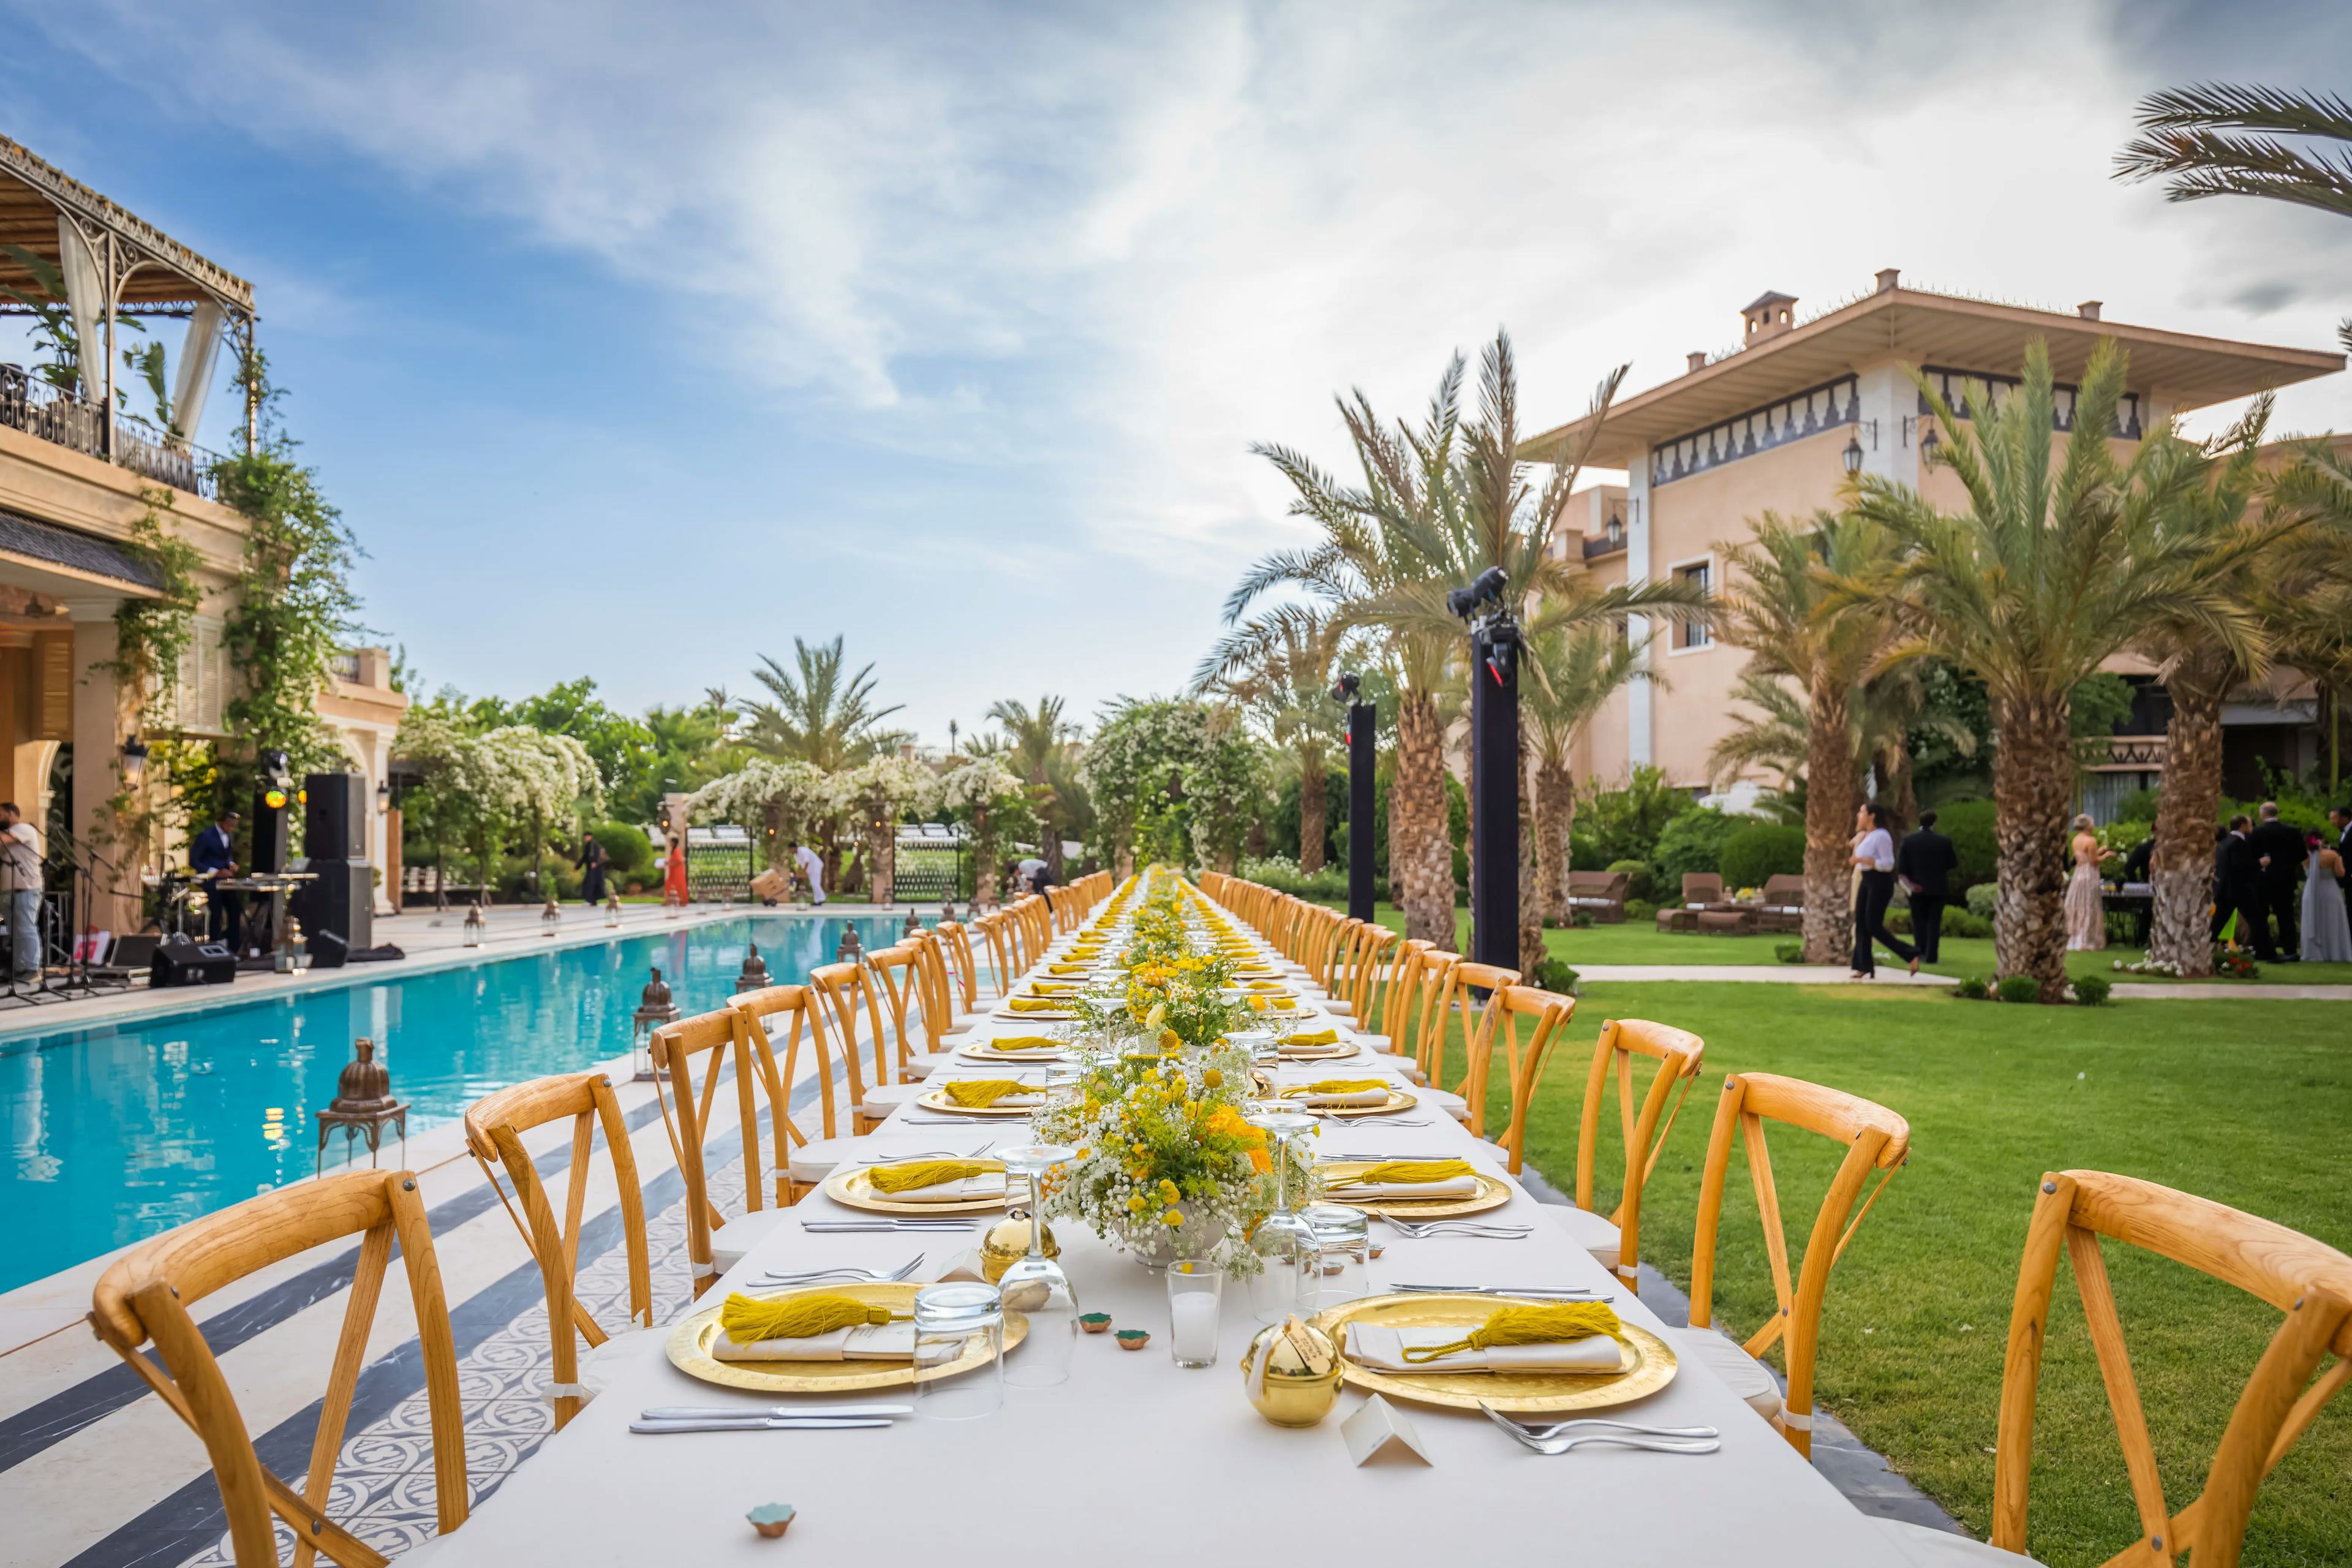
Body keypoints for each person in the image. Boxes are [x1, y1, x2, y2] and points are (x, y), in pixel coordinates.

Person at [1849, 802, 1918, 979]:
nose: (1859, 815)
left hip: (1880, 882)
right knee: (1861, 923)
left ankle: (1910, 954)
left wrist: (1863, 859)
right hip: (1867, 881)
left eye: (1862, 812)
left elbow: (1888, 864)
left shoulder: (1882, 836)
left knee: (1873, 925)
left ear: (1872, 816)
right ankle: (1864, 966)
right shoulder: (1869, 836)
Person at [1895, 809, 1958, 963]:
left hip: (1916, 888)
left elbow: (1902, 868)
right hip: (1938, 888)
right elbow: (1953, 863)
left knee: (1919, 922)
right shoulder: (1944, 841)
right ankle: (1932, 956)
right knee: (1934, 923)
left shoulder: (1909, 841)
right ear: (1934, 823)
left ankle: (1920, 952)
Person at [2247, 802, 2306, 961]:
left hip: (2263, 880)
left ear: (2262, 815)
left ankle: (2263, 950)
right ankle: (2290, 950)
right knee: (2286, 916)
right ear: (2277, 813)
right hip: (2285, 880)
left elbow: (2250, 856)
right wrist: (2287, 863)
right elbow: (2302, 855)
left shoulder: (2256, 833)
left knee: (2261, 916)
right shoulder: (2292, 832)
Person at [2211, 814, 2271, 960]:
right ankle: (2266, 953)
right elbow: (2239, 866)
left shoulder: (2224, 843)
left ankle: (2204, 947)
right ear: (2243, 826)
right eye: (2249, 824)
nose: (2251, 827)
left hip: (2224, 890)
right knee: (2257, 921)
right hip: (2239, 891)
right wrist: (2259, 863)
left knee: (2217, 923)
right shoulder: (2239, 844)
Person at [0, 802, 41, 986]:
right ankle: (18, 968)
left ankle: (32, 969)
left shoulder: (23, 828)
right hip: (9, 891)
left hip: (26, 888)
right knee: (12, 932)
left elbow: (4, 841)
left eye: (0, 814)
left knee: (26, 929)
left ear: (10, 814)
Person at [190, 809, 243, 946]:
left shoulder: (229, 836)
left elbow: (226, 856)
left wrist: (231, 864)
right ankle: (213, 943)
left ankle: (234, 945)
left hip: (226, 881)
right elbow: (194, 860)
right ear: (222, 822)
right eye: (230, 825)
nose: (232, 828)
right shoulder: (206, 836)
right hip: (211, 881)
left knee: (235, 908)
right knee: (216, 913)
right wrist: (215, 872)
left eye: (234, 826)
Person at [2299, 829, 2352, 962]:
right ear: (2321, 840)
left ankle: (2313, 951)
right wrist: (2339, 859)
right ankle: (2334, 952)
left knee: (2313, 918)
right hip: (2330, 890)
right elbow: (2341, 873)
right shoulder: (2332, 855)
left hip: (2310, 891)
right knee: (2332, 921)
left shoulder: (2305, 856)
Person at [2064, 813, 2105, 952]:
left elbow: (2086, 856)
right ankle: (2087, 939)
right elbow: (2093, 861)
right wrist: (2105, 856)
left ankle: (2076, 937)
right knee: (2089, 904)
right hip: (2090, 874)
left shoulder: (2075, 840)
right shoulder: (2091, 840)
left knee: (2079, 904)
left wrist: (2099, 851)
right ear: (2088, 826)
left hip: (2079, 873)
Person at [579, 831, 608, 907]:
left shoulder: (593, 844)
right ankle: (593, 900)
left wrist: (595, 862)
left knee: (590, 884)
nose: (586, 838)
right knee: (592, 884)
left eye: (587, 836)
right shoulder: (588, 845)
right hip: (592, 868)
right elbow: (585, 857)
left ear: (590, 837)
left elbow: (596, 853)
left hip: (595, 868)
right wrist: (578, 866)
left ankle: (590, 900)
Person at [794, 840, 827, 906]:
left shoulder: (804, 851)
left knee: (815, 884)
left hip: (816, 867)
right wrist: (798, 873)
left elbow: (807, 862)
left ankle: (820, 899)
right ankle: (819, 899)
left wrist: (804, 872)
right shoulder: (796, 855)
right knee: (814, 884)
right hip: (810, 869)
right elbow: (800, 865)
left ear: (794, 848)